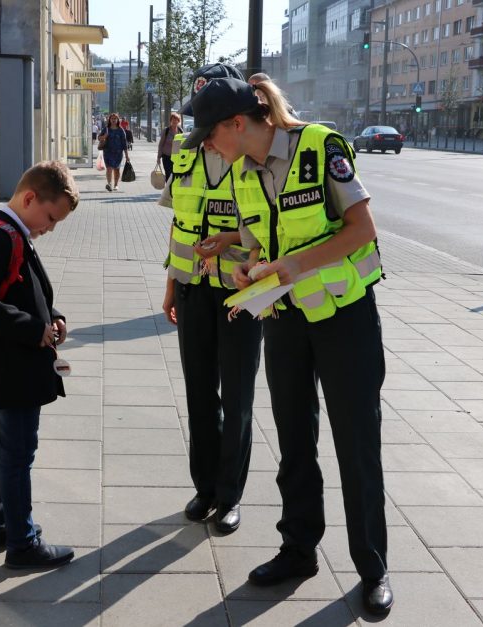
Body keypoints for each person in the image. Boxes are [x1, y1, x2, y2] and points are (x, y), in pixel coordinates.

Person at [182, 77, 393, 615]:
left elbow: (362, 229)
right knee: (295, 442)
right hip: (283, 322)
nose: (205, 146)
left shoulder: (320, 146)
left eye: (209, 136)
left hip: (344, 318)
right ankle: (298, 549)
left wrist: (292, 266)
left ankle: (373, 568)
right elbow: (259, 245)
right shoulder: (241, 174)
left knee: (356, 444)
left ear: (237, 123)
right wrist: (245, 273)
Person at [0, 160, 79, 569]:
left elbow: (23, 290)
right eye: (50, 217)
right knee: (16, 454)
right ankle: (22, 543)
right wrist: (34, 330)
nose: (50, 227)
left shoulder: (12, 232)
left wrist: (54, 316)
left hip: (6, 366)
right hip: (13, 368)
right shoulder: (0, 237)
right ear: (29, 198)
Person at [159, 62, 263, 535]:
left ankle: (230, 495)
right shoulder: (186, 153)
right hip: (193, 288)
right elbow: (177, 224)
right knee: (199, 393)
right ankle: (205, 489)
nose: (203, 133)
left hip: (241, 293)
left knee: (237, 396)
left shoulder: (254, 155)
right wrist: (171, 285)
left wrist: (229, 238)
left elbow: (272, 228)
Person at [97, 113, 129, 191]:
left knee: (117, 169)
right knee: (109, 168)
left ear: (118, 120)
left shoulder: (121, 130)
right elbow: (99, 138)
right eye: (112, 119)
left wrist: (127, 155)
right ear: (109, 120)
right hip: (108, 152)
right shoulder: (106, 129)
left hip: (118, 153)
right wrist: (104, 136)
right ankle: (109, 184)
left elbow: (124, 143)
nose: (113, 120)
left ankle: (116, 185)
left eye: (115, 119)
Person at [157, 112, 183, 181]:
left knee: (175, 174)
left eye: (176, 120)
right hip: (166, 156)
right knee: (168, 173)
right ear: (170, 121)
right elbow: (161, 144)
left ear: (178, 121)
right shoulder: (166, 131)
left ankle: (172, 189)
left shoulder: (180, 131)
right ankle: (168, 189)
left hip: (177, 157)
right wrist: (158, 157)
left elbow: (183, 144)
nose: (174, 121)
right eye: (173, 120)